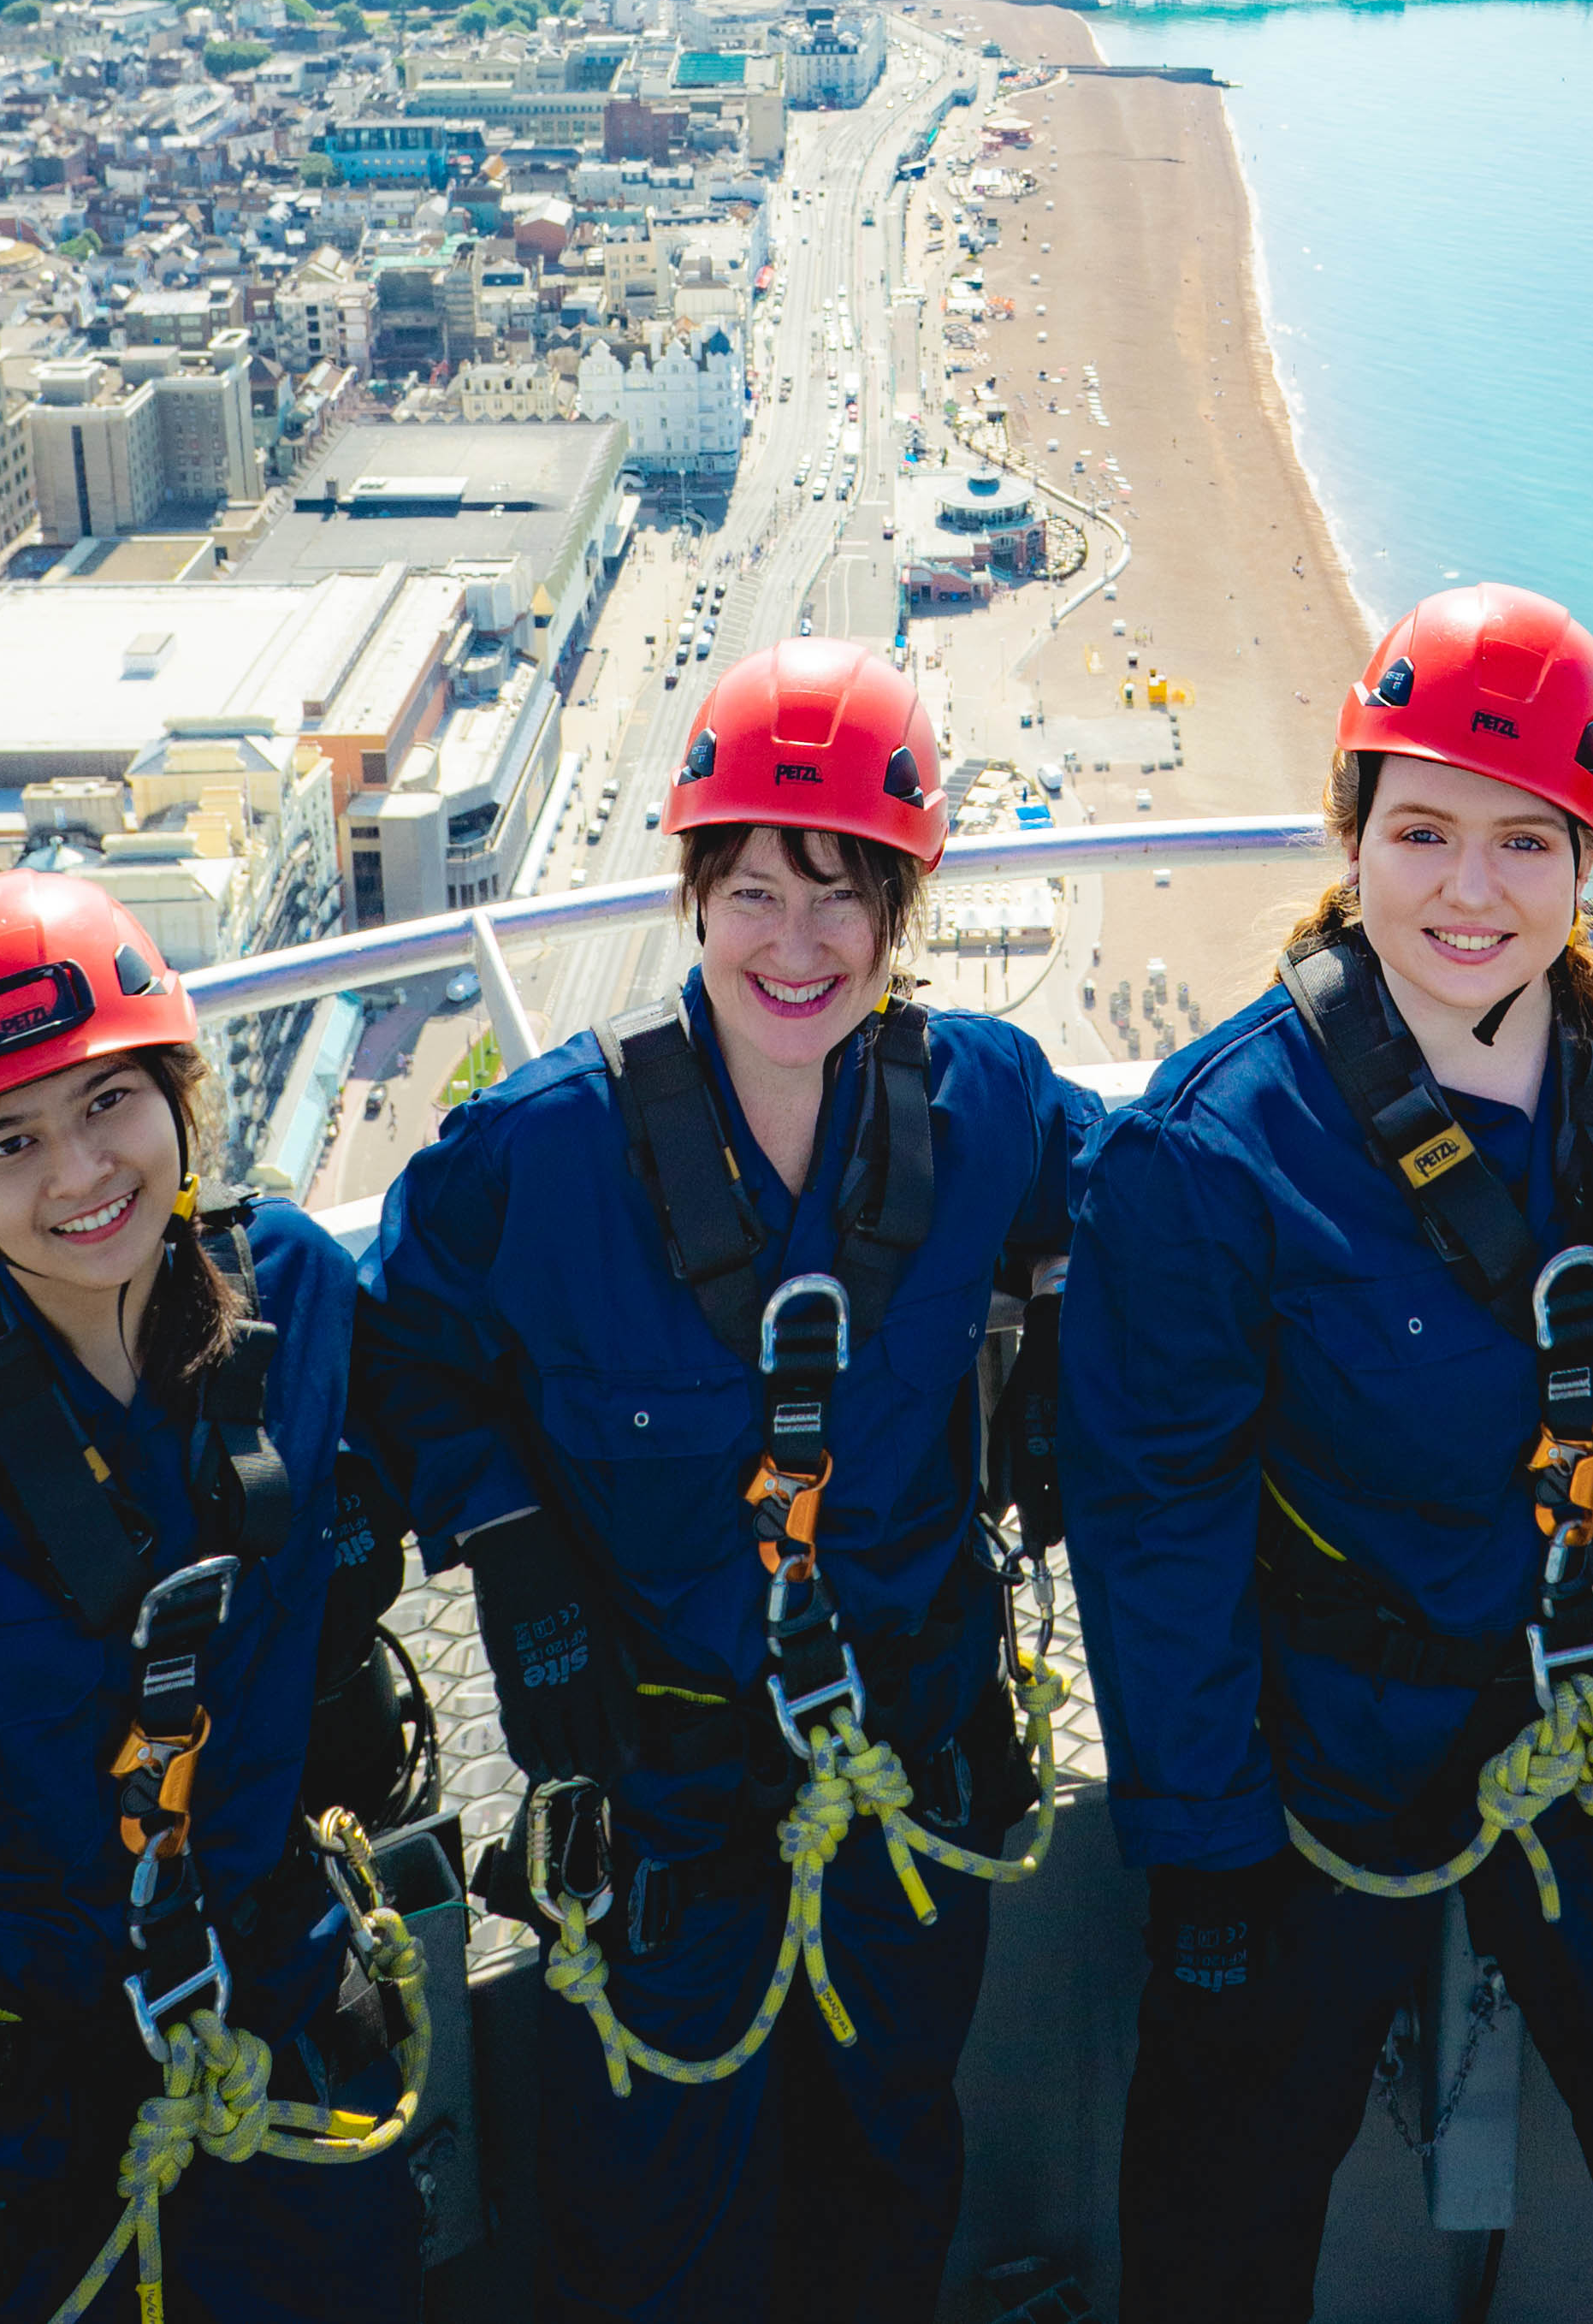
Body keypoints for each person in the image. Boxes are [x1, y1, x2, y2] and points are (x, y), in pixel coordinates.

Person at [1058, 582, 1593, 2324]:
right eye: (1422, 830)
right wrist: (1205, 1846)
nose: (1471, 889)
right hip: (1330, 1752)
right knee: (1231, 2176)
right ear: (1352, 832)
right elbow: (1153, 1521)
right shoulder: (1219, 1148)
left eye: (1523, 840)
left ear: (1588, 855)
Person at [353, 638, 1103, 2324]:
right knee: (658, 2215)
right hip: (664, 1797)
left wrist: (1063, 1355)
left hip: (908, 1770)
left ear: (904, 909)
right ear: (696, 889)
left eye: (846, 895)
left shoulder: (988, 1107)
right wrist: (511, 1537)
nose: (798, 942)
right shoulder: (537, 1156)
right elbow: (401, 1353)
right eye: (757, 887)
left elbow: (1167, 1215)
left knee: (890, 2163)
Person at [0, 870, 423, 2324]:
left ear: (180, 1094)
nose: (78, 1173)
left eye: (110, 1100)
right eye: (12, 1137)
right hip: (5, 2100)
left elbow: (480, 1382)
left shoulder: (292, 1291)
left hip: (266, 2015)